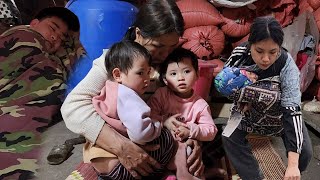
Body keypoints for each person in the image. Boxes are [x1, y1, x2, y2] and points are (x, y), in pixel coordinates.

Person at [61, 0, 205, 179]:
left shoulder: (174, 65)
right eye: (158, 47)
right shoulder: (115, 61)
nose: (165, 55)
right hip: (118, 139)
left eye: (172, 47)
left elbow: (186, 105)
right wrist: (121, 146)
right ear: (139, 34)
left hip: (158, 134)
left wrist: (190, 135)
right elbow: (72, 107)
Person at [221, 16, 312, 180]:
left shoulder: (286, 64)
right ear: (250, 45)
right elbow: (224, 84)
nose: (265, 59)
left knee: (304, 152)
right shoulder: (239, 55)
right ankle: (253, 177)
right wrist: (242, 96)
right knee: (228, 135)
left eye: (272, 52)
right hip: (248, 112)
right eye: (259, 51)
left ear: (279, 48)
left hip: (279, 116)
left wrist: (292, 165)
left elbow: (292, 109)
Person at [0, 7, 80, 179]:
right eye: (52, 28)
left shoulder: (55, 56)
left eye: (62, 37)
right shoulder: (23, 36)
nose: (55, 37)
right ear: (34, 23)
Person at [87, 40, 163, 179]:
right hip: (119, 167)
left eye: (148, 72)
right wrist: (157, 125)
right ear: (118, 75)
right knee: (166, 139)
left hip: (100, 159)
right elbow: (140, 135)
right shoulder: (128, 96)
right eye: (140, 73)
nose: (147, 79)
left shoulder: (109, 88)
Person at [147, 48, 218, 180]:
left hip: (185, 145)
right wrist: (164, 121)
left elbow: (211, 130)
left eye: (186, 71)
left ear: (197, 74)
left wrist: (190, 129)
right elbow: (148, 116)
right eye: (173, 74)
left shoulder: (200, 104)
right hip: (162, 142)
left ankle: (185, 175)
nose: (180, 78)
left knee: (187, 152)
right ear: (165, 79)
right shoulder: (161, 95)